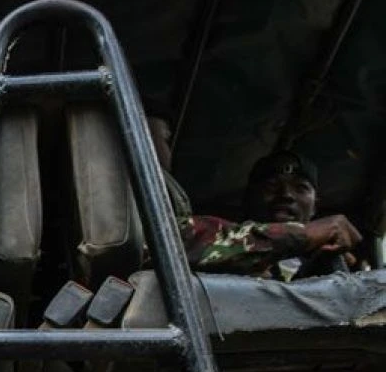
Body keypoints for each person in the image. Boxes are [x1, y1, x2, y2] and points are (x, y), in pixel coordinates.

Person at [146, 113, 361, 278]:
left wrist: (320, 265)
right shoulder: (223, 255)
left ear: (316, 205)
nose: (286, 195)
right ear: (248, 198)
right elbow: (180, 239)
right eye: (271, 186)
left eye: (301, 188)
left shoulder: (329, 262)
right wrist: (303, 235)